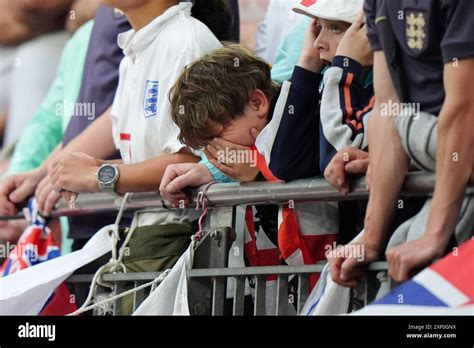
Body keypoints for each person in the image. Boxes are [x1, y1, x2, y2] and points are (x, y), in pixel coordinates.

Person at [327, 0, 474, 285]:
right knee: (399, 262)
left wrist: (434, 234)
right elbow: (388, 109)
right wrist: (370, 238)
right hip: (448, 166)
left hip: (459, 166)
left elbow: (464, 111)